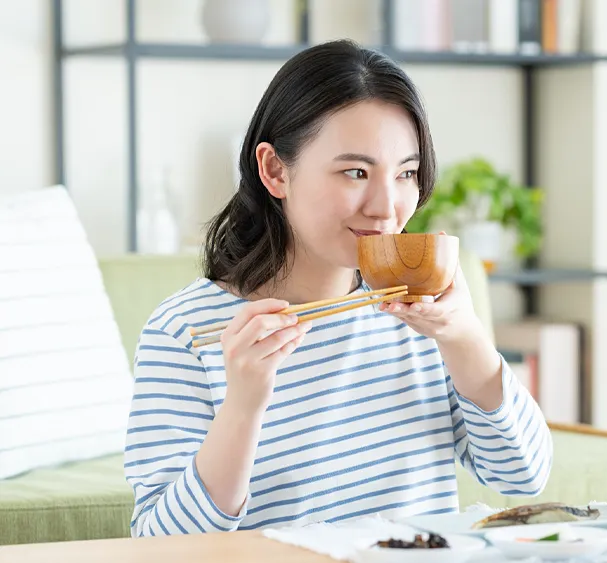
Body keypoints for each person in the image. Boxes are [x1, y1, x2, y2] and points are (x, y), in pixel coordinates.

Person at [123, 39, 552, 537]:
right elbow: (159, 545)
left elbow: (522, 476)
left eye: (406, 173)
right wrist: (242, 408)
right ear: (275, 170)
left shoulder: (418, 310)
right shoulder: (185, 332)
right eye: (355, 172)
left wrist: (465, 338)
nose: (386, 208)